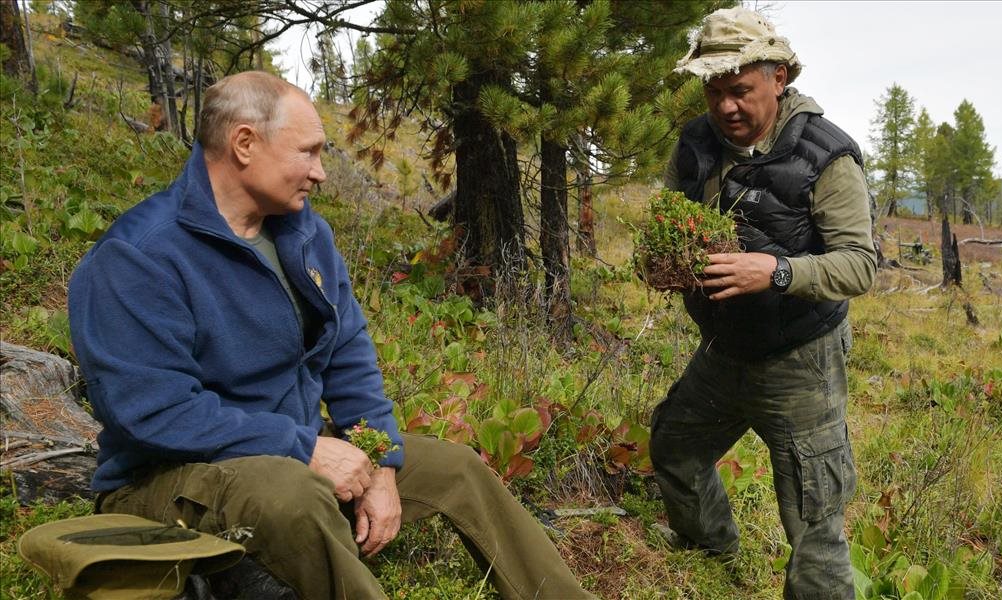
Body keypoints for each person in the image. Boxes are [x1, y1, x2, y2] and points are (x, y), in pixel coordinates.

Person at [68, 71, 594, 600]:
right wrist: (304, 450)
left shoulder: (303, 232)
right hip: (166, 479)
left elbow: (348, 354)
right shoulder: (140, 256)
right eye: (308, 152)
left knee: (455, 469)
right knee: (295, 496)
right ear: (244, 144)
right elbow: (153, 412)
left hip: (290, 457)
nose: (320, 173)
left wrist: (381, 459)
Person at [650, 7, 876, 600]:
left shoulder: (829, 157)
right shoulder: (698, 143)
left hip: (801, 357)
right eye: (714, 92)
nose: (726, 107)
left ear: (779, 78)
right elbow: (670, 216)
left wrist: (775, 272)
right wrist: (665, 260)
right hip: (724, 350)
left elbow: (860, 264)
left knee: (812, 514)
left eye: (741, 91)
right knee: (675, 447)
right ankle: (711, 559)